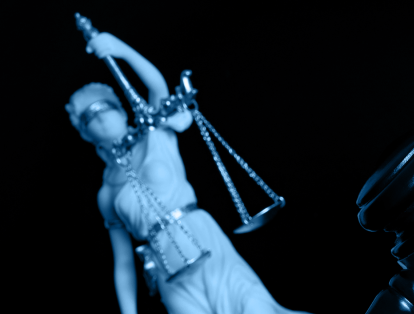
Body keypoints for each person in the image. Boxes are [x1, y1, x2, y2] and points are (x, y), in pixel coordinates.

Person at [65, 32, 309, 314]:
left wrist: (121, 50)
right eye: (89, 118)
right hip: (167, 267)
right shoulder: (107, 192)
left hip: (202, 238)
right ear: (86, 134)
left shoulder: (156, 134)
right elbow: (122, 264)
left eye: (103, 109)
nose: (99, 119)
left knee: (253, 308)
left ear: (122, 112)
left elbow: (157, 85)